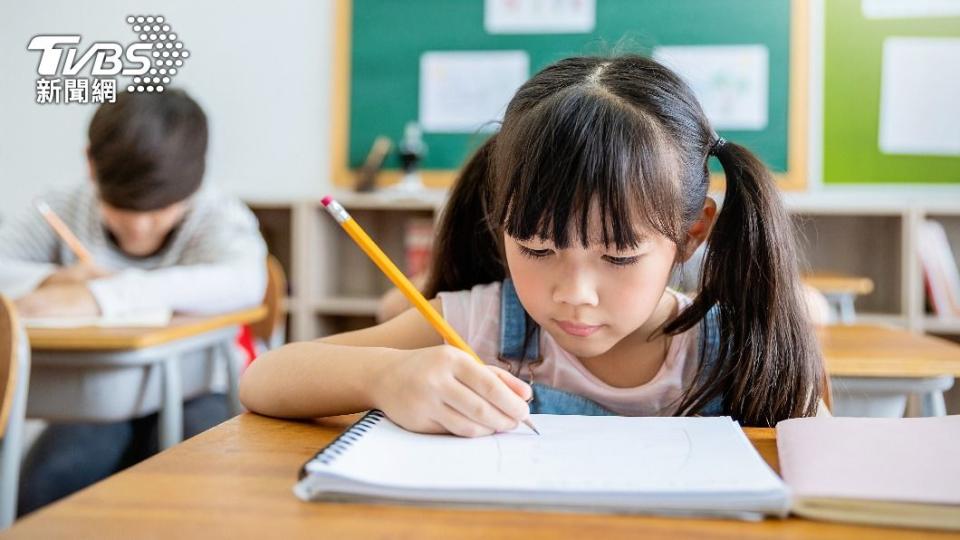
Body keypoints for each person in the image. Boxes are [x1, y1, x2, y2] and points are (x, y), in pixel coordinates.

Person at [240, 55, 824, 436]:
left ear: (692, 232)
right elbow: (263, 378)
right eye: (538, 249)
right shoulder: (485, 320)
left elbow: (829, 463)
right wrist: (385, 378)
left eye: (618, 257)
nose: (573, 295)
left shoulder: (739, 347)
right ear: (500, 222)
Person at [0, 89, 267, 515]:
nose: (141, 227)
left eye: (161, 211)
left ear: (195, 179)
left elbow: (245, 282)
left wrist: (100, 297)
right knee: (45, 489)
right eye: (121, 209)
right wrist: (56, 278)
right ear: (91, 164)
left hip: (199, 388)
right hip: (94, 395)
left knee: (207, 491)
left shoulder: (216, 214)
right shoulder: (65, 207)